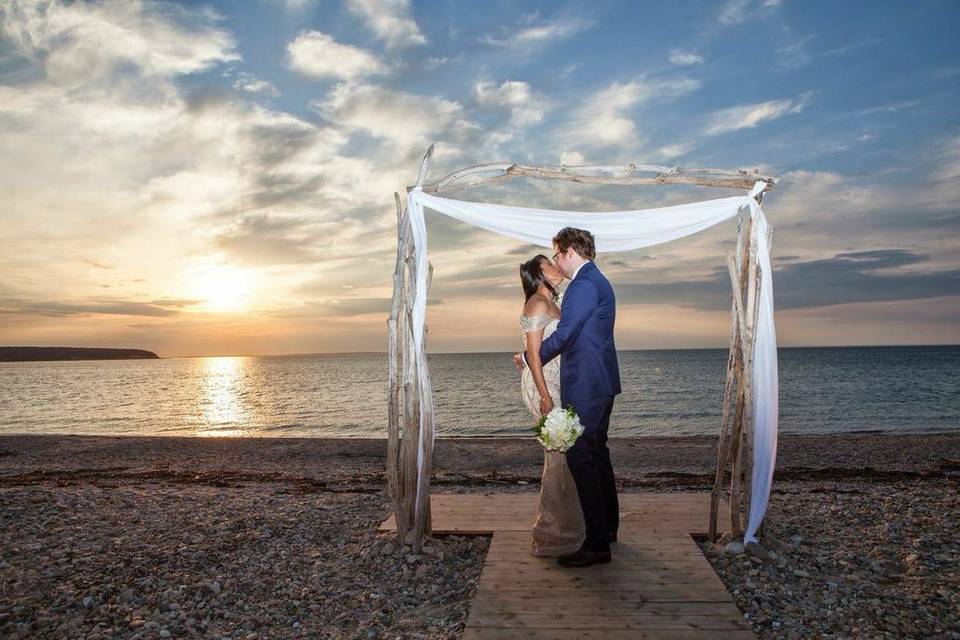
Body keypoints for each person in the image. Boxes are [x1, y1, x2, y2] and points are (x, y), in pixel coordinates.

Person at [514, 227, 621, 567]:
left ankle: (596, 545)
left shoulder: (583, 286)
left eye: (558, 254)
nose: (558, 261)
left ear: (571, 250)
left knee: (583, 461)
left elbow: (565, 336)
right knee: (597, 455)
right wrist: (532, 358)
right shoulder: (595, 280)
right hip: (598, 382)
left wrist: (531, 357)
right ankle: (607, 530)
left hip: (587, 385)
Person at [518, 254, 585, 557]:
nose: (557, 267)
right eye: (548, 264)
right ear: (537, 274)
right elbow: (534, 355)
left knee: (563, 456)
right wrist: (545, 396)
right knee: (558, 456)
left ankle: (567, 528)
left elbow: (541, 345)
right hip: (545, 385)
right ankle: (555, 535)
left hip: (559, 382)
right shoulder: (537, 302)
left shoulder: (552, 303)